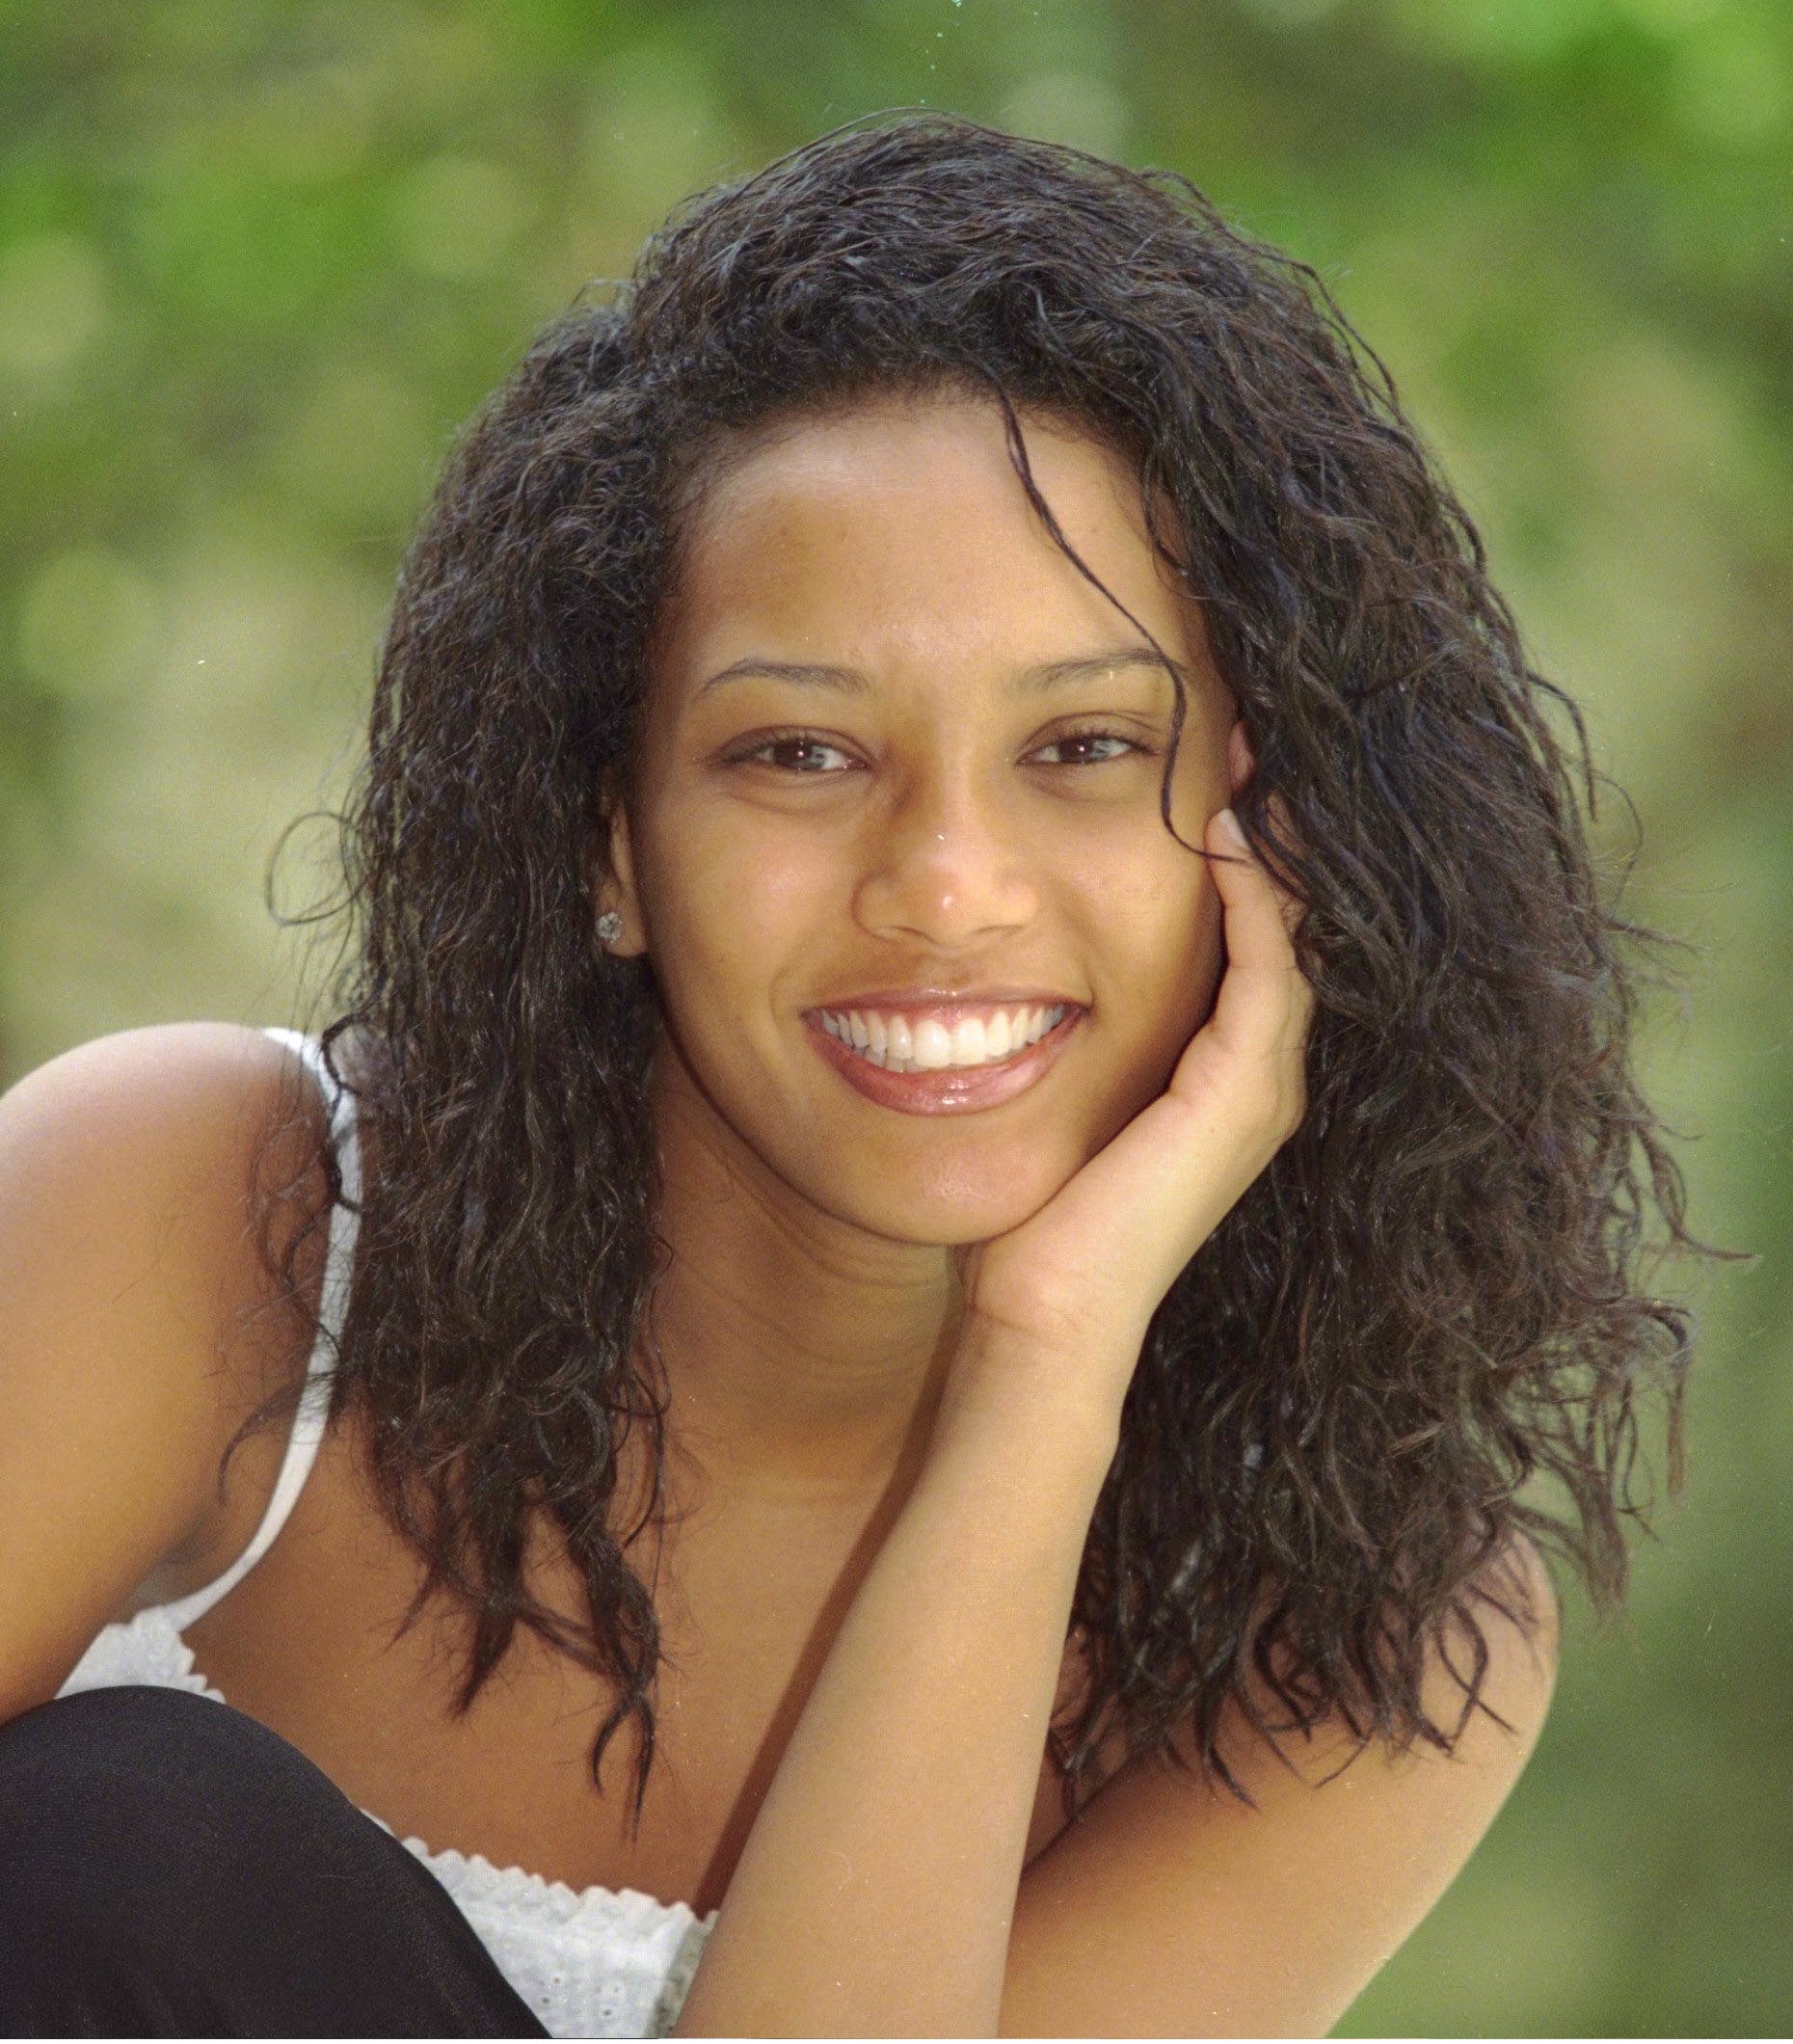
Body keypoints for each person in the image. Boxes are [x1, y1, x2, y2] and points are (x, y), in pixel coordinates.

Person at [0, 116, 1710, 2037]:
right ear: (609, 841)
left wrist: (1046, 1365)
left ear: (1289, 834)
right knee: (154, 1832)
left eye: (1085, 747)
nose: (948, 887)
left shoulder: (1353, 1634)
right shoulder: (205, 1216)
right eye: (800, 755)